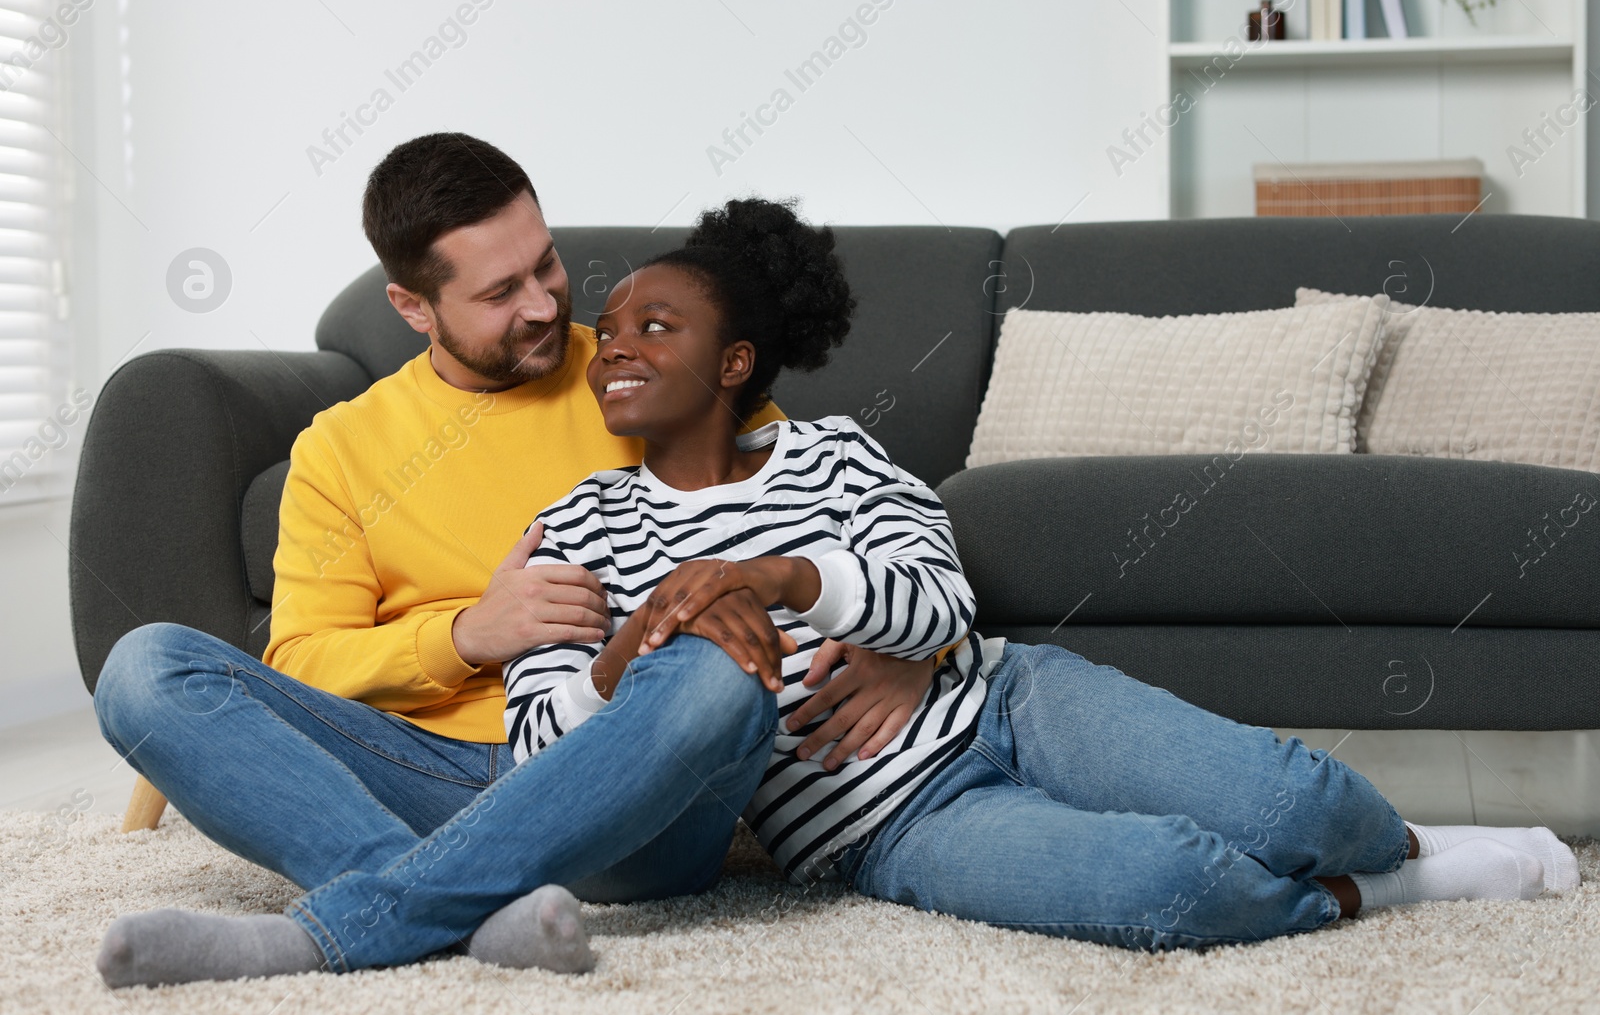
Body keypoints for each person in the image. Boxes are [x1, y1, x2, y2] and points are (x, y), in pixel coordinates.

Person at [501, 195, 1582, 950]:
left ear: (733, 362)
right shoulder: (579, 525)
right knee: (1172, 884)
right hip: (884, 824)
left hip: (1007, 698)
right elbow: (539, 753)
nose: (617, 349)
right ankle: (1395, 886)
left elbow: (939, 592)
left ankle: (1403, 838)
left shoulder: (833, 453)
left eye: (654, 325)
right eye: (608, 333)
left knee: (1284, 797)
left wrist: (782, 577)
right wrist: (623, 653)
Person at [91, 135, 938, 988]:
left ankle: (382, 910)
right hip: (430, 776)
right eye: (501, 291)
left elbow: (814, 514)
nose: (542, 304)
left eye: (547, 265)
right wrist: (463, 636)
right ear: (413, 306)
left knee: (718, 664)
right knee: (144, 669)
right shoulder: (342, 449)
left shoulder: (641, 367)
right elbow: (302, 662)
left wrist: (914, 650)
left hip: (629, 785)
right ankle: (469, 908)